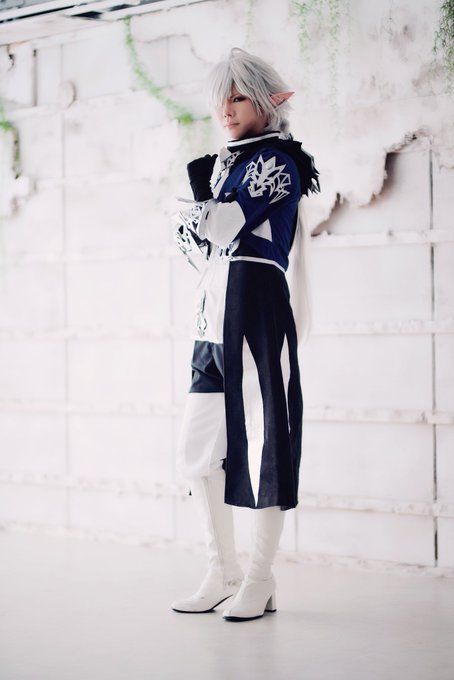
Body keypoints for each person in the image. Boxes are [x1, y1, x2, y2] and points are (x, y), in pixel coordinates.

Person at [171, 47, 320, 622]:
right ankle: (223, 570)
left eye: (237, 97)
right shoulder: (219, 167)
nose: (226, 110)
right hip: (210, 314)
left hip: (257, 310)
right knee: (197, 450)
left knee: (264, 443)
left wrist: (197, 211)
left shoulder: (280, 161)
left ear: (267, 101)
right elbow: (195, 246)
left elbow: (219, 225)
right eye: (220, 99)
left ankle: (259, 577)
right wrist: (201, 215)